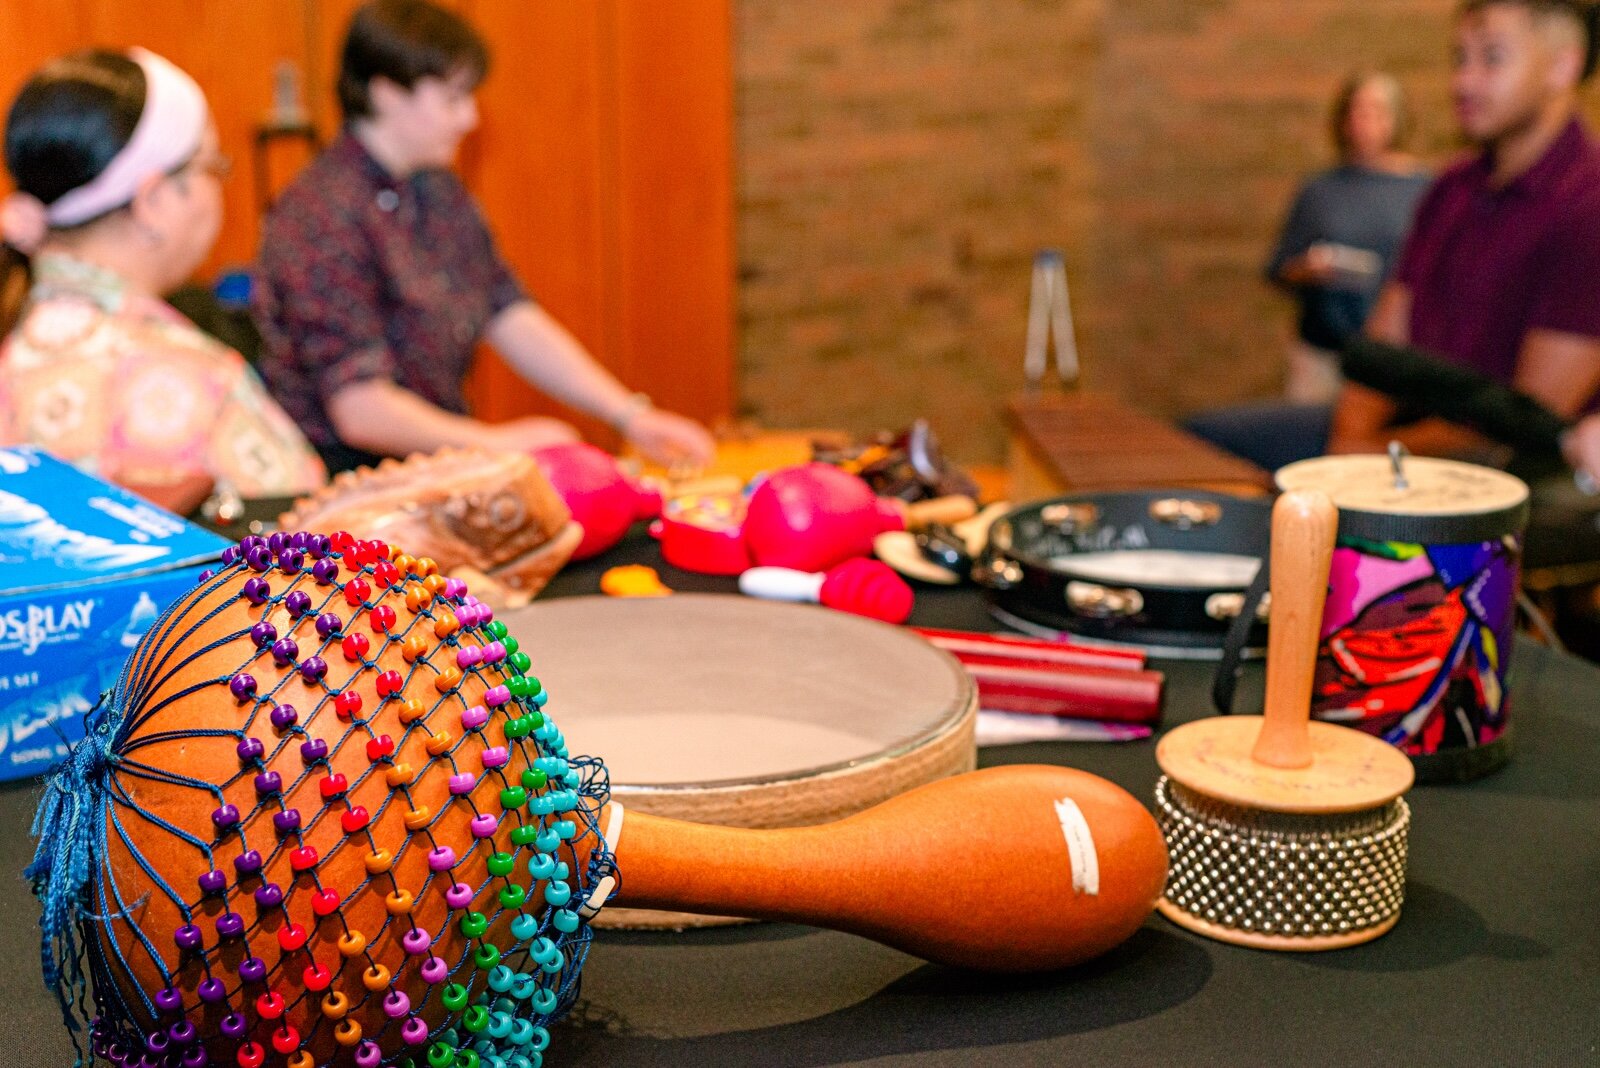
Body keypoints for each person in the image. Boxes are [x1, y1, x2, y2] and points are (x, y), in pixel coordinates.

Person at [254, 0, 717, 474]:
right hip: (343, 484)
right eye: (453, 99)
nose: (470, 118)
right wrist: (494, 442)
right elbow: (359, 408)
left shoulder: (437, 185)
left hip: (437, 465)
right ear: (388, 93)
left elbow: (506, 309)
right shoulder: (318, 213)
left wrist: (629, 415)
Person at [0, 49, 325, 514]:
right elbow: (329, 555)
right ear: (152, 200)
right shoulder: (194, 382)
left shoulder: (15, 345)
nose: (218, 191)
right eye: (211, 167)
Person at [1328, 0, 1600, 459]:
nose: (1463, 81)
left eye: (1492, 58)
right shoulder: (1451, 186)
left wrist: (1370, 456)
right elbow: (1380, 352)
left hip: (1512, 479)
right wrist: (1346, 444)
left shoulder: (1587, 205)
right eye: (1460, 59)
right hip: (1397, 442)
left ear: (1561, 66)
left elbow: (1525, 422)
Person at [1266, 72, 1429, 404]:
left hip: (1392, 354)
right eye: (1358, 111)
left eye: (1376, 111)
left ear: (1396, 119)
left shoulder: (1422, 190)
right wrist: (1309, 270)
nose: (1365, 122)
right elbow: (1279, 268)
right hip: (1325, 349)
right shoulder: (1321, 190)